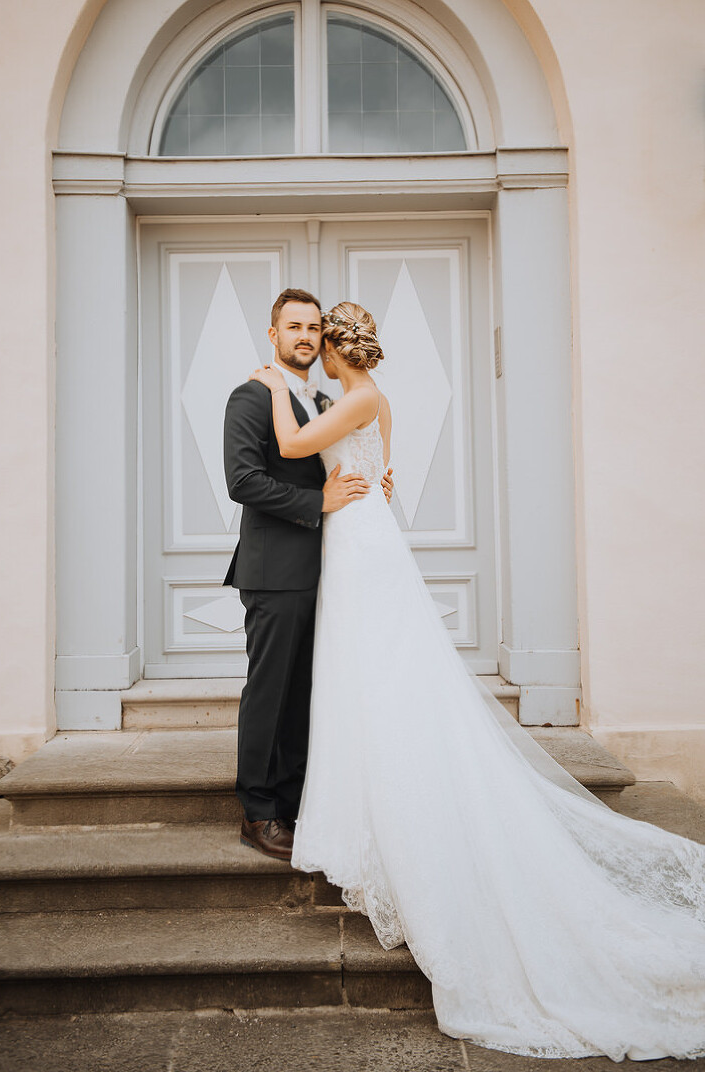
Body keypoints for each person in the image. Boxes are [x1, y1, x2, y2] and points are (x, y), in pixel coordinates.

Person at [248, 300, 705, 1063]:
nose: (314, 356)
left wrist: (268, 382)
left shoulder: (353, 397)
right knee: (373, 677)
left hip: (361, 546)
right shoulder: (367, 400)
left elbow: (296, 442)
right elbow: (378, 479)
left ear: (334, 347)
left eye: (319, 344)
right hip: (365, 536)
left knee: (376, 676)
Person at [223, 289, 393, 861]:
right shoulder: (251, 396)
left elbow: (345, 458)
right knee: (271, 692)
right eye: (292, 326)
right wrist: (316, 502)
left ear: (325, 339)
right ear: (273, 335)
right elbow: (243, 482)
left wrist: (372, 482)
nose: (304, 335)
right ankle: (258, 812)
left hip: (329, 567)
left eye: (313, 327)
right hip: (275, 569)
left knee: (305, 694)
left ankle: (295, 802)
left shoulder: (325, 397)